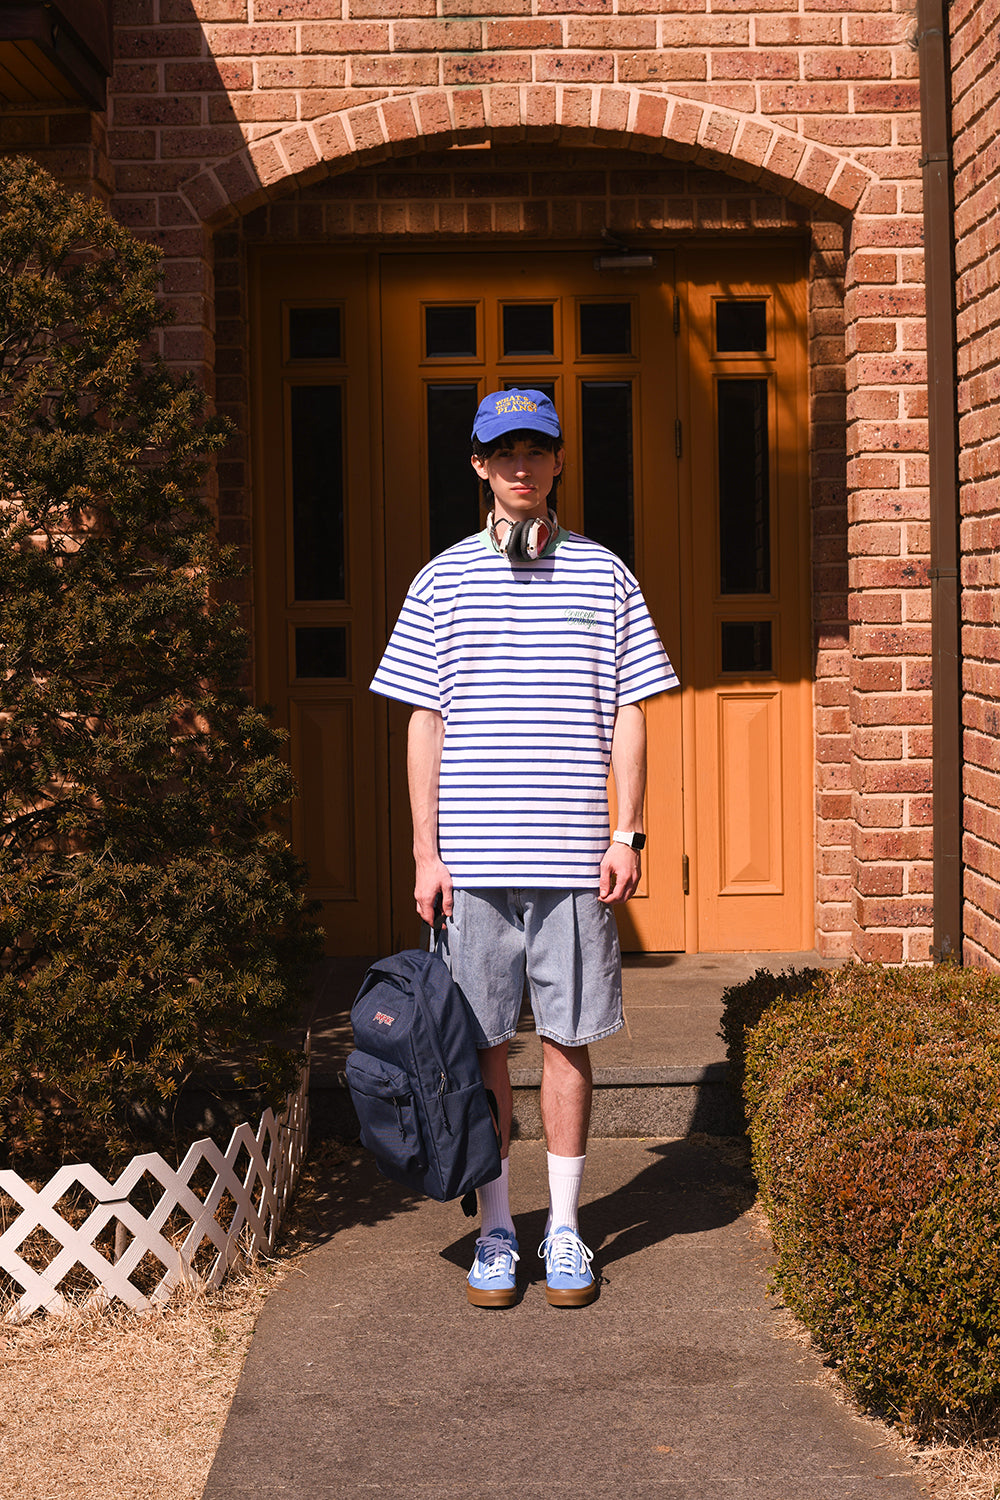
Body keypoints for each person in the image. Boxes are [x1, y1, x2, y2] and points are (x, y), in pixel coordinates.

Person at [370, 388, 678, 1308]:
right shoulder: (440, 581)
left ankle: (571, 1230)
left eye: (537, 450)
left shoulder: (605, 575)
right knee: (484, 1049)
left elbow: (631, 712)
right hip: (475, 867)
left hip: (577, 865)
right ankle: (500, 1228)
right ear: (477, 465)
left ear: (556, 464)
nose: (521, 467)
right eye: (503, 452)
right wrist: (426, 854)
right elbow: (424, 723)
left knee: (571, 1043)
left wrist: (626, 831)